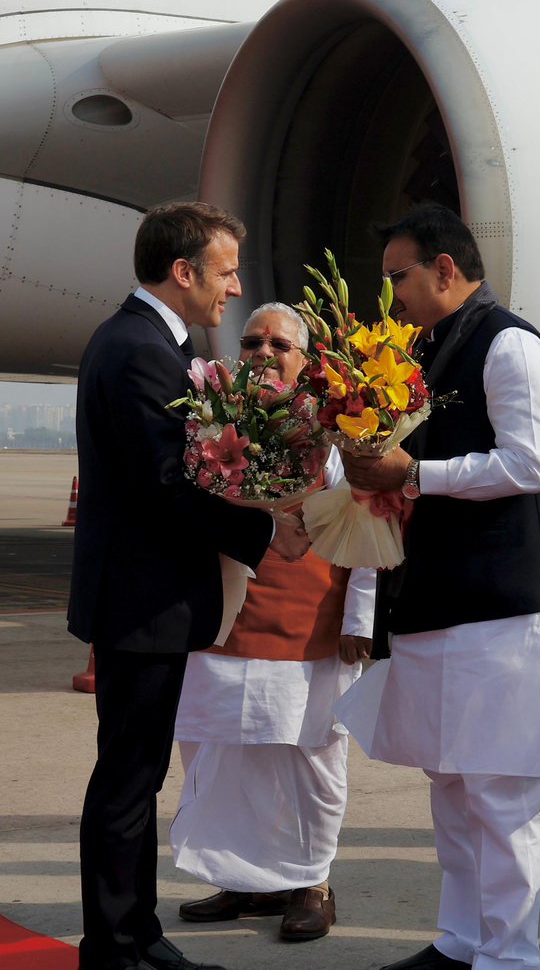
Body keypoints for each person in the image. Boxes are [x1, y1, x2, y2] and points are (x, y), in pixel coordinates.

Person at [332, 203, 540, 970]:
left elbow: (530, 465)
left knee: (500, 796)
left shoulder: (511, 346)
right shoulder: (429, 348)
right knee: (452, 788)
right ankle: (462, 939)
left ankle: (507, 957)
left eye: (400, 275)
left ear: (445, 268)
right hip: (440, 599)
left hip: (506, 607)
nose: (393, 291)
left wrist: (415, 475)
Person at [68, 203, 309, 970]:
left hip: (146, 599)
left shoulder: (143, 342)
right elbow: (167, 485)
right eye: (226, 268)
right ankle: (117, 945)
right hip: (144, 600)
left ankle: (135, 935)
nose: (234, 284)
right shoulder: (142, 351)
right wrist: (265, 530)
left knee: (132, 778)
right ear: (183, 272)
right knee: (128, 781)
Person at [169, 303, 375, 943]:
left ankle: (311, 882)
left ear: (305, 359)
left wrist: (361, 617)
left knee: (307, 759)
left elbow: (369, 530)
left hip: (308, 625)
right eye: (252, 341)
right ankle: (246, 880)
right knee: (220, 755)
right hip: (223, 620)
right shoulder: (212, 423)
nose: (262, 352)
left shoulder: (338, 433)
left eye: (278, 345)